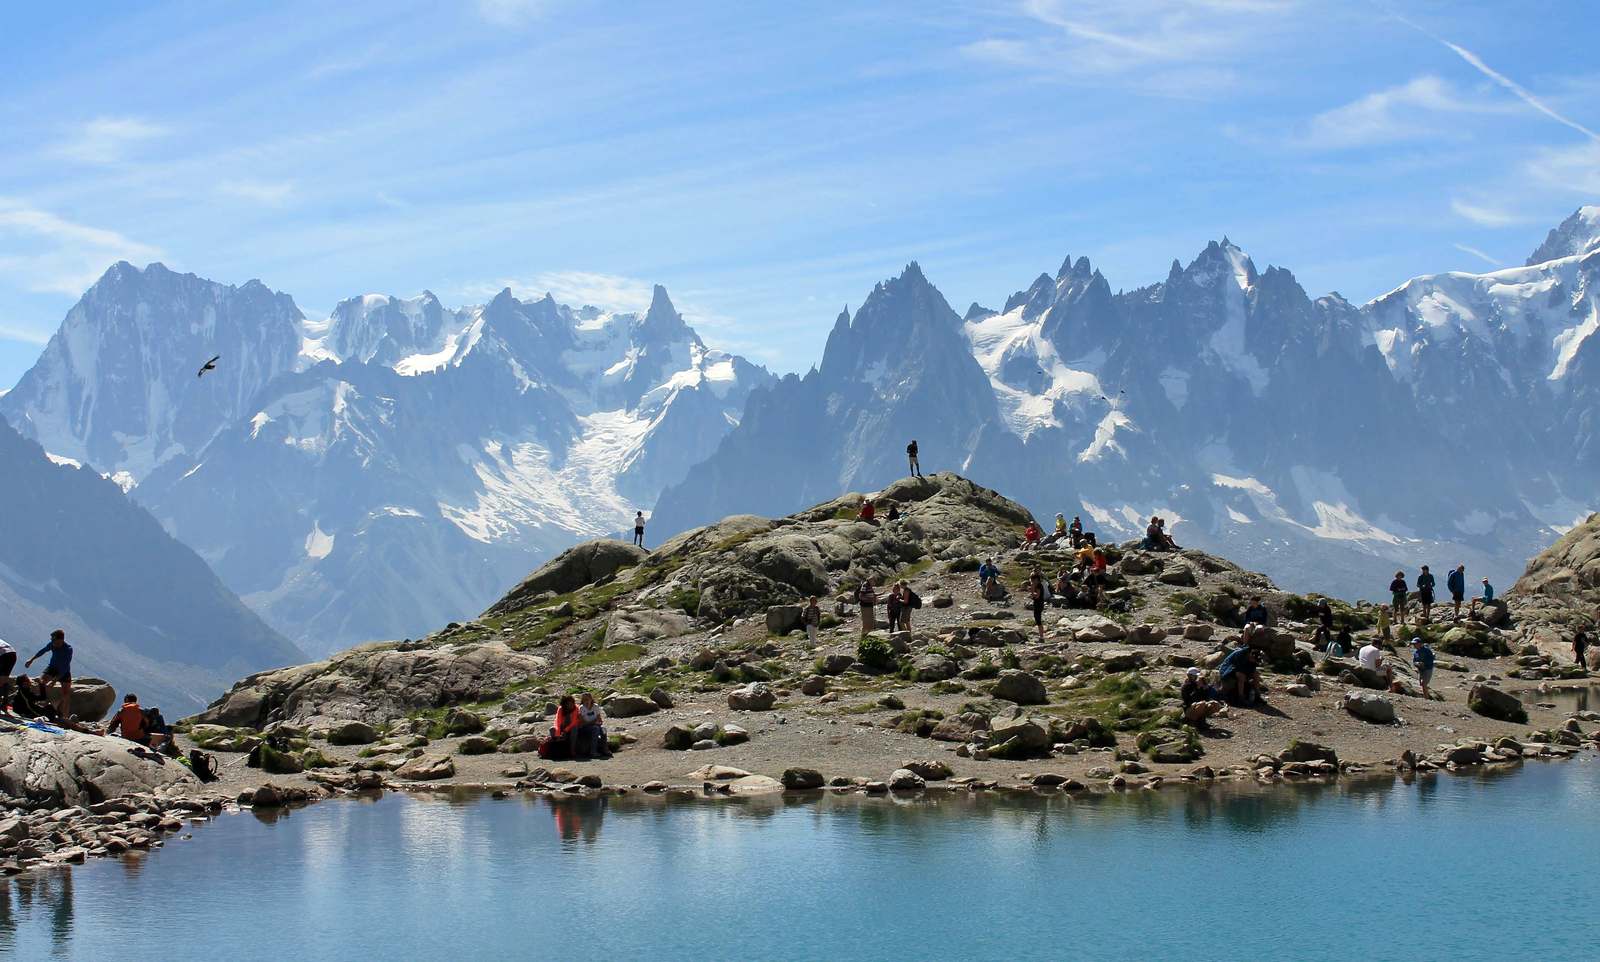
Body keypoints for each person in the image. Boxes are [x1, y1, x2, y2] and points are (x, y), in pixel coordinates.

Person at [25, 630, 72, 720]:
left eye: (55, 641)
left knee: (66, 694)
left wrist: (54, 681)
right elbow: (42, 651)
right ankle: (39, 705)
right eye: (52, 641)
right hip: (52, 668)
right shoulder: (52, 644)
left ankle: (64, 717)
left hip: (64, 671)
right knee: (41, 681)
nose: (53, 643)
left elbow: (65, 667)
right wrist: (31, 659)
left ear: (61, 640)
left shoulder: (68, 649)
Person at [577, 692, 611, 760]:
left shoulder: (595, 706)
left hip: (595, 725)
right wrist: (594, 722)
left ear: (591, 699)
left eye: (588, 699)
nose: (586, 701)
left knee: (603, 729)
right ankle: (593, 751)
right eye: (584, 700)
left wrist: (598, 722)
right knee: (595, 729)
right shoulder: (581, 708)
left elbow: (599, 719)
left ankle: (605, 749)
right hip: (585, 728)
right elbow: (582, 722)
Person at [548, 695, 581, 761]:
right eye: (568, 703)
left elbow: (574, 722)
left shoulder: (576, 708)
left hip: (571, 727)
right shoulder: (561, 709)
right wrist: (557, 734)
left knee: (575, 728)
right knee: (552, 729)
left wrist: (566, 730)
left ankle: (572, 751)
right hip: (562, 727)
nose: (570, 705)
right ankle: (556, 750)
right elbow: (558, 721)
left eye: (572, 703)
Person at [1028, 569, 1047, 642]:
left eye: (1033, 580)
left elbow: (1037, 596)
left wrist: (1032, 590)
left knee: (1038, 621)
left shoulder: (1038, 585)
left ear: (1036, 580)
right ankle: (1040, 636)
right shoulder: (1038, 585)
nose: (1032, 582)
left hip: (1039, 604)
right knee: (1037, 620)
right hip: (1038, 603)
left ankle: (1041, 637)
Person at [0, 636, 14, 704]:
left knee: (2, 679)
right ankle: (5, 701)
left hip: (4, 655)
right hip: (12, 654)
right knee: (3, 679)